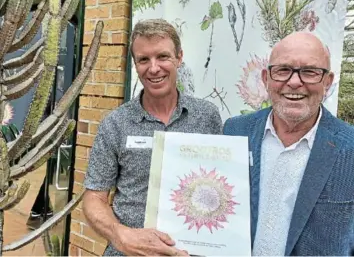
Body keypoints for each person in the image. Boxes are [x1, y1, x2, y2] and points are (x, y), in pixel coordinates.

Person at [82, 19, 223, 256]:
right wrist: (120, 234)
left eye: (163, 57)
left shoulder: (207, 116)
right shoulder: (115, 124)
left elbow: (219, 185)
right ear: (135, 64)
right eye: (144, 60)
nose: (154, 68)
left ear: (179, 57)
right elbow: (94, 197)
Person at [223, 31, 354, 256]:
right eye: (283, 70)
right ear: (266, 79)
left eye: (310, 72)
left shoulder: (349, 147)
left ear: (328, 82)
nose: (294, 82)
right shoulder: (235, 131)